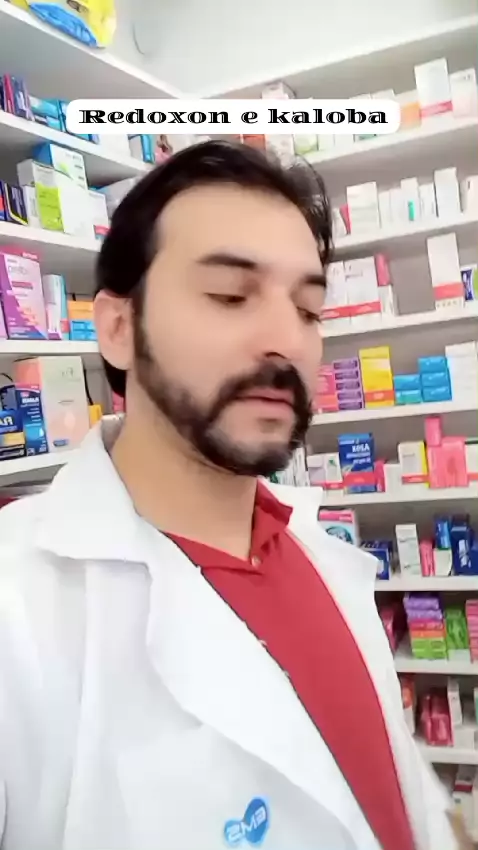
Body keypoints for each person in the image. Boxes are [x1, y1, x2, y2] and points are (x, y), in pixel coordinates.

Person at [0, 141, 466, 850]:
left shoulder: (319, 550)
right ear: (119, 329)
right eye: (228, 295)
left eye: (308, 310)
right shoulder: (19, 611)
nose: (286, 342)